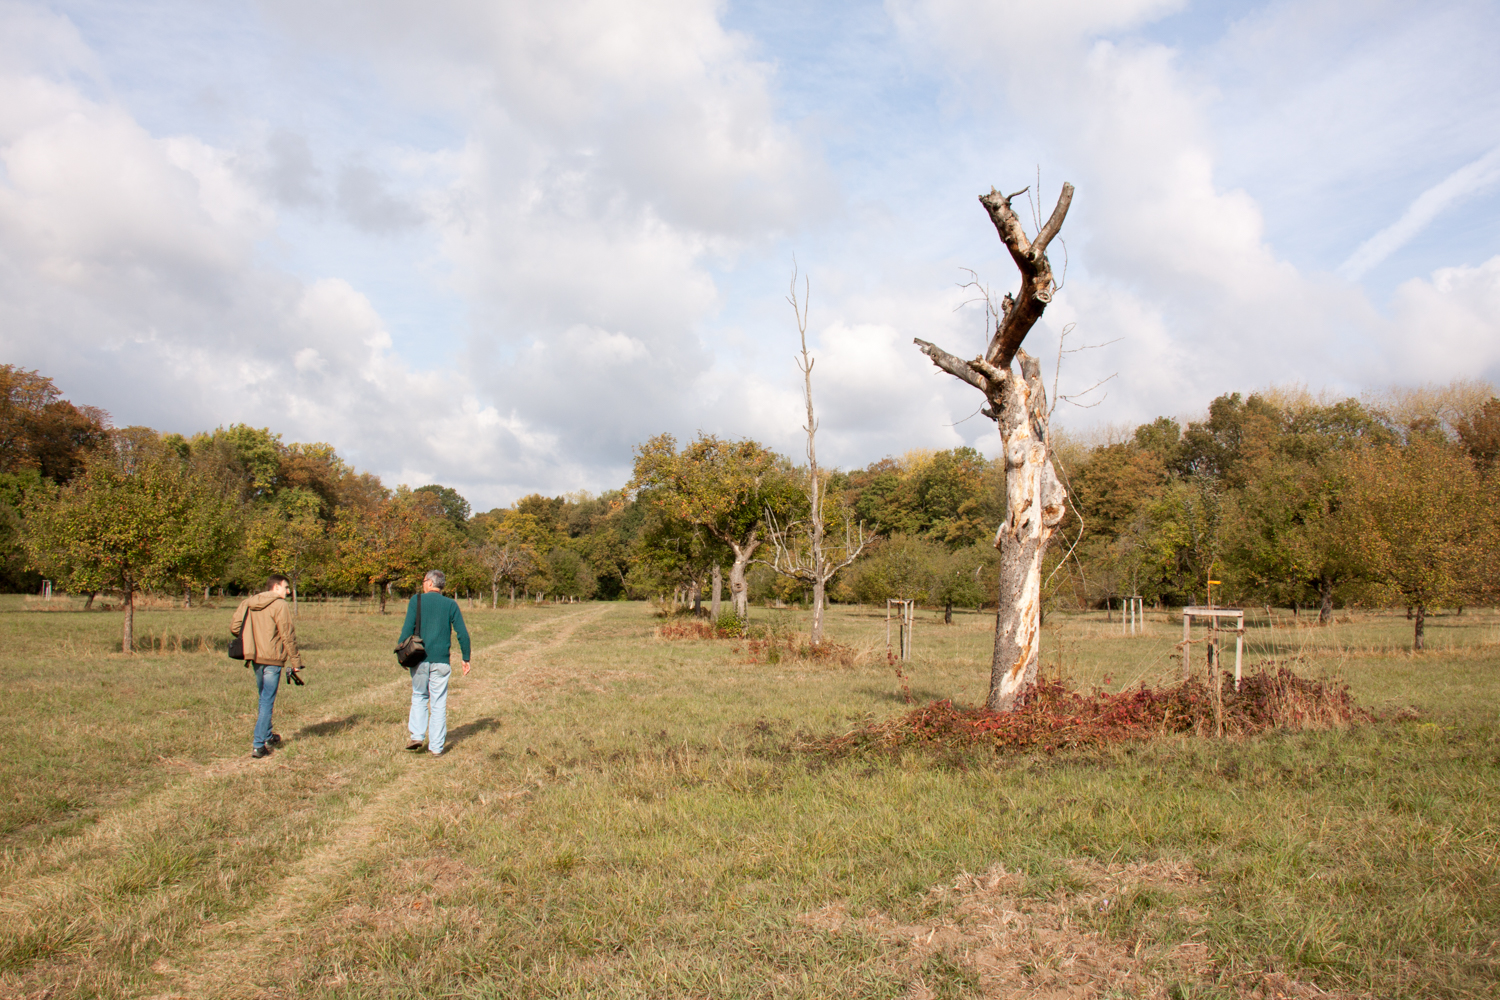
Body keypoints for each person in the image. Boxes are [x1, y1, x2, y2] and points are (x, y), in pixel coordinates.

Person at [397, 569, 471, 756]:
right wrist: (466, 657)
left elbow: (407, 629)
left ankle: (417, 735)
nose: (422, 584)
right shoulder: (451, 604)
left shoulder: (417, 601)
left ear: (430, 583)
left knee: (419, 696)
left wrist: (401, 655)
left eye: (423, 581)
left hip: (419, 659)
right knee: (438, 703)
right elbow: (462, 632)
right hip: (442, 662)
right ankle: (437, 748)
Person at [231, 574, 303, 759]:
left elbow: (234, 627)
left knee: (264, 698)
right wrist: (296, 662)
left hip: (254, 658)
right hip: (273, 659)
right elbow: (287, 634)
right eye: (286, 587)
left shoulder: (248, 602)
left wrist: (253, 636)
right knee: (267, 701)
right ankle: (258, 744)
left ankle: (268, 736)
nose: (288, 591)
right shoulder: (280, 605)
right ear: (276, 587)